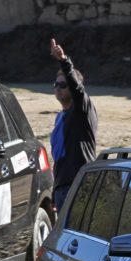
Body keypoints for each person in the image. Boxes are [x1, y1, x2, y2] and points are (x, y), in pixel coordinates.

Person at [48, 38, 98, 211]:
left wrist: (63, 60)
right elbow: (59, 160)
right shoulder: (60, 118)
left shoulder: (82, 109)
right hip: (63, 188)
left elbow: (77, 90)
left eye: (63, 84)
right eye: (56, 84)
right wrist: (55, 190)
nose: (58, 88)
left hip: (80, 185)